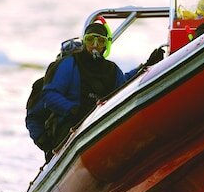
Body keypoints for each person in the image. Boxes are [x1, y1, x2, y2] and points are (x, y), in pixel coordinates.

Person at [26, 20, 163, 159]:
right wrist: (73, 111)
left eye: (100, 41)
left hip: (101, 128)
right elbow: (47, 98)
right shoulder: (67, 66)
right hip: (69, 131)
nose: (95, 46)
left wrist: (146, 67)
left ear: (106, 44)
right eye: (90, 40)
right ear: (84, 42)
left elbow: (123, 85)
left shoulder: (111, 70)